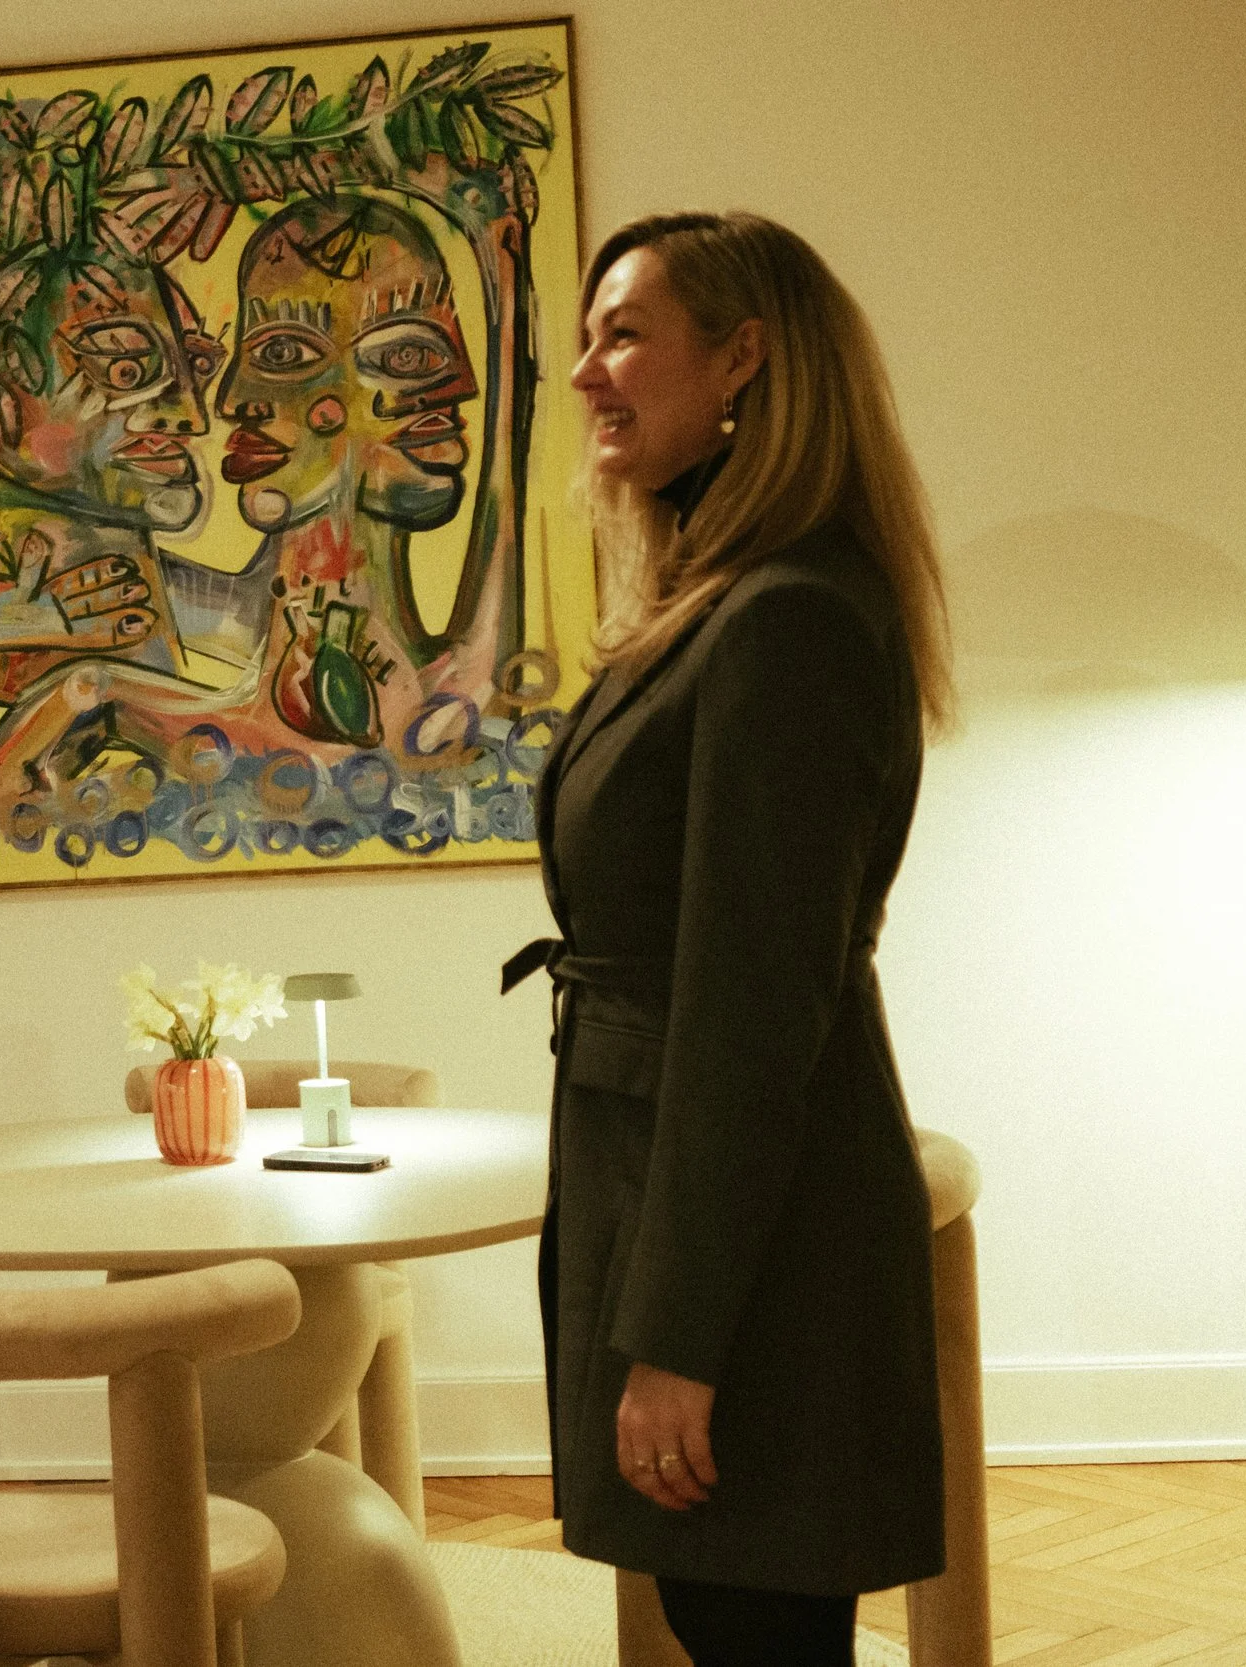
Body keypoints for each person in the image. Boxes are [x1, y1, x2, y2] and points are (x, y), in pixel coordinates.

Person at [507, 210, 957, 1665]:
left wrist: (679, 1340)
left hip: (752, 1245)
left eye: (624, 333)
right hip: (675, 1197)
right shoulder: (721, 601)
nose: (585, 374)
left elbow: (754, 1015)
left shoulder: (791, 619)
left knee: (758, 1626)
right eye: (587, 336)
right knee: (728, 1616)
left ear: (746, 359)